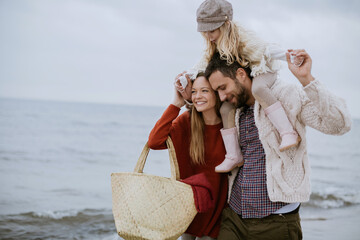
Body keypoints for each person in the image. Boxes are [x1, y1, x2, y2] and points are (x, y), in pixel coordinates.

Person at [203, 49, 352, 239]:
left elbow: (340, 124)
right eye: (217, 91)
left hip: (276, 222)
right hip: (234, 217)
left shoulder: (286, 95)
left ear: (241, 74)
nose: (222, 96)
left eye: (223, 88)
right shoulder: (234, 110)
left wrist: (307, 79)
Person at [176, 0, 304, 173]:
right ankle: (234, 155)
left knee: (258, 88)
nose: (208, 36)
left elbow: (267, 50)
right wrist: (186, 78)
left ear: (226, 24)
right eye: (205, 32)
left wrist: (289, 56)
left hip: (262, 70)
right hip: (240, 78)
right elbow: (201, 65)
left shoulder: (243, 39)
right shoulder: (213, 46)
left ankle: (288, 132)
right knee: (225, 109)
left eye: (212, 30)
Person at [148, 73, 228, 239]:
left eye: (204, 91)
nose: (197, 96)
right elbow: (154, 142)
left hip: (217, 214)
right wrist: (176, 104)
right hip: (188, 209)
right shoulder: (186, 121)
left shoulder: (229, 126)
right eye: (194, 92)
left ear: (216, 93)